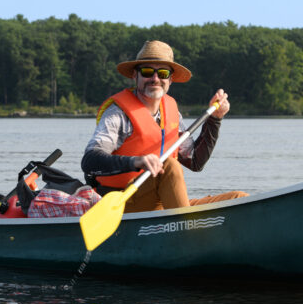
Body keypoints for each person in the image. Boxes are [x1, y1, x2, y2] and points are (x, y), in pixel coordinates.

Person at [81, 40, 248, 213]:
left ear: (170, 80)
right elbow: (90, 161)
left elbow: (195, 161)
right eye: (147, 72)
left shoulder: (172, 112)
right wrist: (135, 161)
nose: (155, 79)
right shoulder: (118, 114)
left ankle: (185, 223)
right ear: (134, 76)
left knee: (240, 199)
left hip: (161, 204)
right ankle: (185, 231)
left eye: (162, 73)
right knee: (168, 165)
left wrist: (215, 119)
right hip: (122, 203)